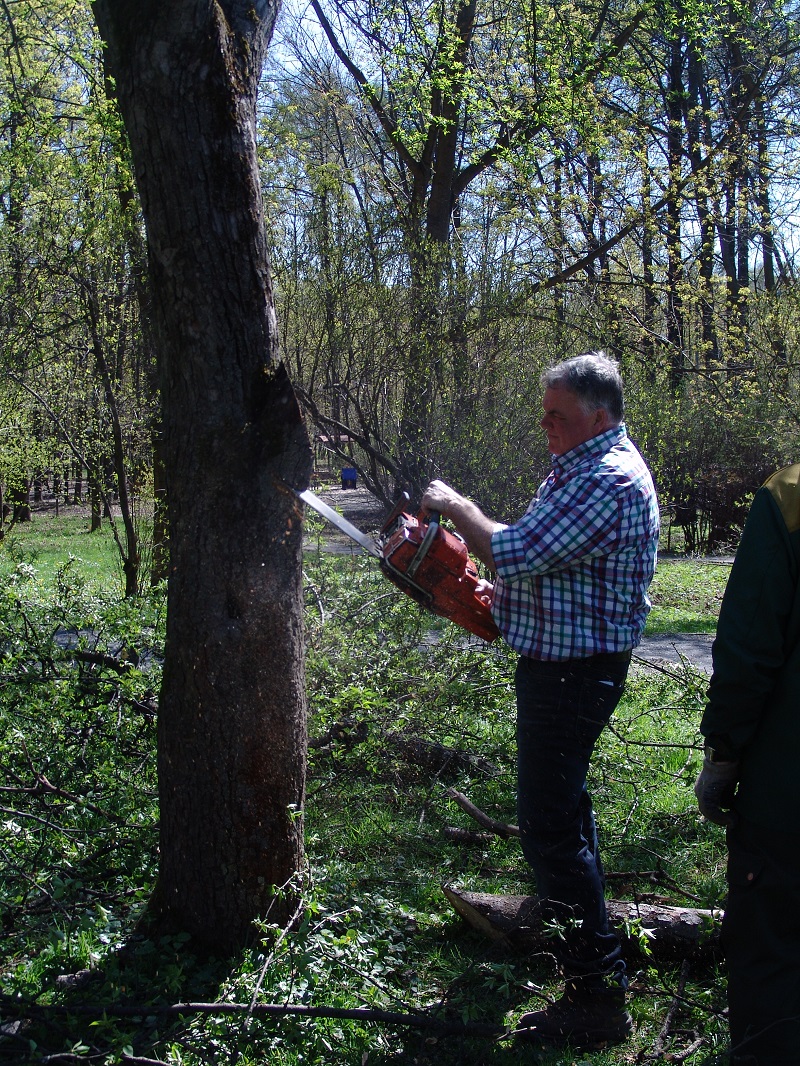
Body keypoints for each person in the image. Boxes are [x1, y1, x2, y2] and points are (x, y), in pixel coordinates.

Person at [421, 351, 659, 1049]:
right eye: (545, 411)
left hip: (574, 675)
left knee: (548, 825)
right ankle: (590, 954)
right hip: (560, 666)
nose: (545, 424)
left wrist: (459, 511)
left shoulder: (607, 478)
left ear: (598, 413)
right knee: (564, 815)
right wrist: (483, 598)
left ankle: (596, 995)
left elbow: (519, 550)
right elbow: (547, 571)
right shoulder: (578, 465)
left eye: (558, 414)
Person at [694, 462, 800, 1065]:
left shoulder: (789, 496)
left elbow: (749, 644)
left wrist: (724, 754)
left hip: (788, 796)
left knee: (773, 954)